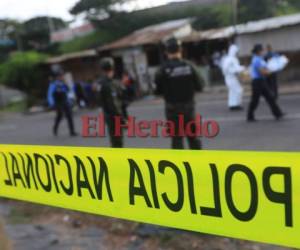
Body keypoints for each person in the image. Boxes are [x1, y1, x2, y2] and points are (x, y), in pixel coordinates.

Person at [155, 37, 204, 150]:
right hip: (189, 108)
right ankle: (200, 164)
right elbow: (200, 85)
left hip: (172, 110)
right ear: (180, 50)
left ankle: (179, 165)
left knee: (176, 139)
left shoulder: (162, 70)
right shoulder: (190, 66)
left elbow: (158, 90)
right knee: (193, 138)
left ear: (166, 52)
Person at [247, 44, 284, 122]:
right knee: (255, 100)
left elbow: (266, 67)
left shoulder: (260, 58)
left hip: (262, 81)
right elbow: (262, 71)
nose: (263, 51)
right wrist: (272, 71)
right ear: (258, 51)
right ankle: (250, 115)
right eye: (261, 50)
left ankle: (278, 113)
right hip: (257, 82)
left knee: (270, 97)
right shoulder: (256, 60)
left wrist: (273, 67)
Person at [99, 58, 124, 148]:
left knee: (115, 141)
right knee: (117, 143)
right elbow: (115, 104)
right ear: (112, 68)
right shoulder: (111, 84)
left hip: (108, 116)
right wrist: (122, 119)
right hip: (114, 117)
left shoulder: (101, 83)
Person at [47, 71, 77, 136]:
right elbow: (50, 94)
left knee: (69, 115)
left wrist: (67, 84)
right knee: (60, 116)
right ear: (57, 77)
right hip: (58, 103)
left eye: (62, 76)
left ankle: (72, 131)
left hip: (65, 101)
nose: (62, 77)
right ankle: (55, 128)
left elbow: (69, 90)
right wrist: (51, 103)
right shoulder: (53, 84)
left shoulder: (63, 84)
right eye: (60, 76)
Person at [222, 44, 245, 111]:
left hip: (229, 78)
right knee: (238, 90)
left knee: (232, 91)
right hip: (231, 78)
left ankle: (232, 105)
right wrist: (242, 68)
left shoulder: (226, 59)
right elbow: (234, 69)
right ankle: (236, 104)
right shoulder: (232, 59)